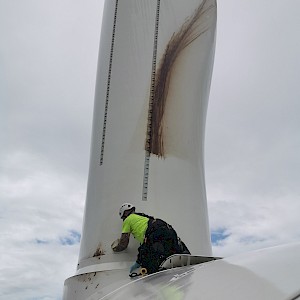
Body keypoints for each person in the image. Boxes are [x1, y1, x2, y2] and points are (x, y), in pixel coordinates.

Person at [111, 203, 190, 274]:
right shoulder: (142, 216)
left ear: (124, 214)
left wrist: (116, 247)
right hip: (164, 226)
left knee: (148, 262)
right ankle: (184, 253)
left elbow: (124, 242)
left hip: (154, 233)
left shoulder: (127, 220)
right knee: (172, 245)